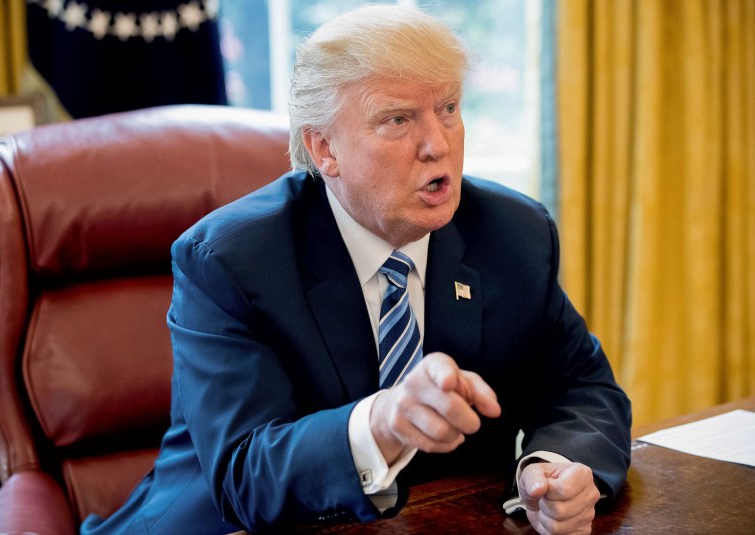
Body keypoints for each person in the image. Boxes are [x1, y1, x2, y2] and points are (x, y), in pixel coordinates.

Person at [81, 5, 631, 535]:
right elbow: (247, 475)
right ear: (324, 149)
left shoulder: (513, 232)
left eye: (448, 108)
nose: (437, 145)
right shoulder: (231, 261)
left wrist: (555, 466)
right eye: (397, 120)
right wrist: (382, 424)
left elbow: (584, 388)